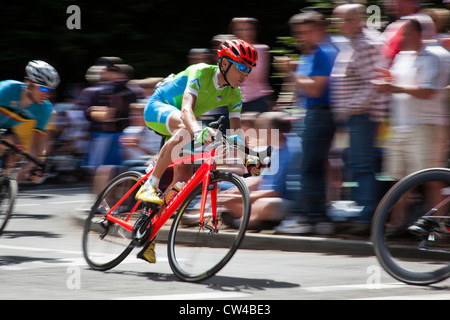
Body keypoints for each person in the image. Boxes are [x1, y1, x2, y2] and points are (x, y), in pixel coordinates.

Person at [135, 39, 260, 263]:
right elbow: (185, 110)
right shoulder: (201, 72)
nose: (245, 74)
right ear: (224, 63)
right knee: (185, 130)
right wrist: (198, 131)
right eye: (241, 67)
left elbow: (237, 133)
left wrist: (249, 158)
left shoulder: (235, 94)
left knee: (183, 180)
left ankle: (149, 230)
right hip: (159, 107)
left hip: (184, 121)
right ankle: (149, 186)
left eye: (249, 70)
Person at [374, 18, 450, 232]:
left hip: (425, 126)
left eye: (405, 34)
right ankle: (396, 225)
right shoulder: (402, 57)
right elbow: (399, 82)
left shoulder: (435, 57)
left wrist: (394, 87)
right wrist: (390, 79)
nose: (401, 38)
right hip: (400, 127)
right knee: (397, 179)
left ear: (418, 34)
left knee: (430, 179)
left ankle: (439, 228)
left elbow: (427, 91)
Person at [273, 11, 337, 234]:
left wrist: (291, 73)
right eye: (299, 33)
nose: (303, 37)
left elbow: (316, 88)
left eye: (308, 32)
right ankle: (319, 219)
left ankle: (308, 218)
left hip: (319, 116)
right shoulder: (312, 54)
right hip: (312, 114)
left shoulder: (322, 52)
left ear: (321, 29)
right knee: (312, 168)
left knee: (308, 168)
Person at [330, 4, 389, 232]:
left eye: (342, 20)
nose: (338, 25)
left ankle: (368, 217)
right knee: (358, 164)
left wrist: (353, 106)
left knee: (363, 165)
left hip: (363, 116)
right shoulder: (355, 42)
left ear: (356, 20)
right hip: (355, 116)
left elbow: (373, 82)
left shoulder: (365, 44)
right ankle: (366, 211)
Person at [220, 111, 292, 230]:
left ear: (270, 133)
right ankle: (257, 220)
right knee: (230, 199)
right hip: (265, 196)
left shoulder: (287, 151)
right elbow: (259, 179)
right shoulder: (274, 150)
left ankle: (243, 222)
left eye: (261, 130)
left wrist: (240, 197)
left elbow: (275, 192)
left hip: (285, 202)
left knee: (266, 204)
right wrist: (233, 192)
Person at [0, 60, 60, 181]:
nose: (47, 95)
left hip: (6, 129)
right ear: (30, 84)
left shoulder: (44, 109)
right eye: (44, 89)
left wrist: (34, 166)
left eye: (51, 91)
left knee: (16, 150)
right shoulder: (6, 90)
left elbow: (36, 144)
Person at [83, 63, 137, 170]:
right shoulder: (132, 90)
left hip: (113, 135)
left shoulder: (116, 89)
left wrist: (92, 111)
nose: (105, 73)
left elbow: (109, 115)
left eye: (110, 70)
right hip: (126, 134)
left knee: (106, 169)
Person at [229, 17, 274, 113]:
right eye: (240, 30)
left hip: (257, 99)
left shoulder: (261, 49)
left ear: (255, 31)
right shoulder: (229, 50)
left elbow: (254, 74)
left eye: (248, 29)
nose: (244, 33)